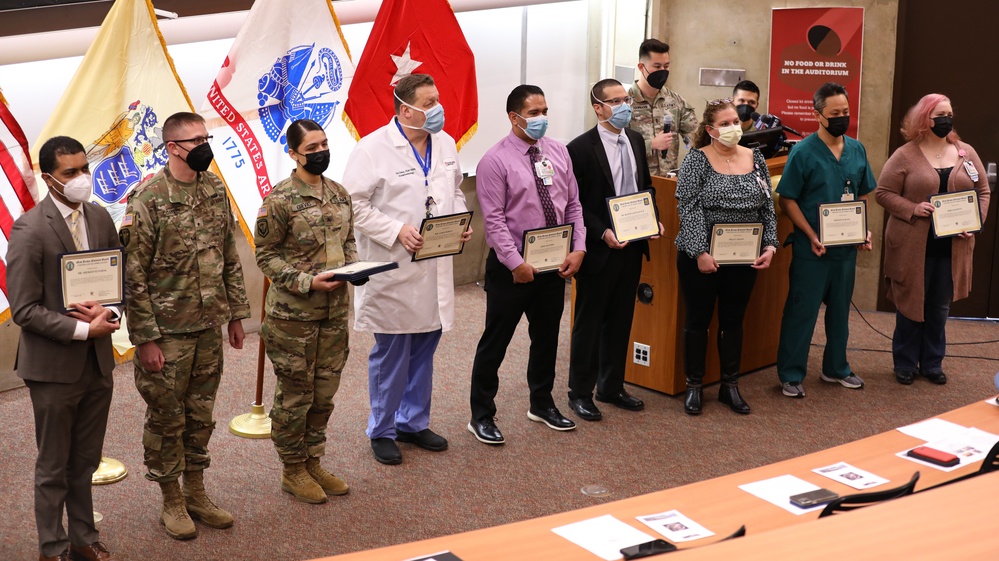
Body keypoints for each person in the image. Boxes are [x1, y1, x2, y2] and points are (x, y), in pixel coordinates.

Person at [121, 112, 250, 539]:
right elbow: (133, 276)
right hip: (167, 333)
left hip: (209, 326)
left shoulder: (214, 189)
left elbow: (228, 256)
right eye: (194, 140)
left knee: (200, 414)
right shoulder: (148, 198)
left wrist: (236, 315)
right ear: (173, 147)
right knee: (166, 417)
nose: (203, 146)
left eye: (206, 137)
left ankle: (196, 489)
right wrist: (145, 340)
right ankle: (171, 498)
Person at [341, 74, 472, 465]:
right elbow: (354, 204)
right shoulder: (372, 149)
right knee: (393, 352)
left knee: (425, 345)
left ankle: (413, 421)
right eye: (429, 102)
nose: (438, 108)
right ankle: (381, 429)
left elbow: (456, 188)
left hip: (435, 264)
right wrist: (396, 229)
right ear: (405, 109)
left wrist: (460, 221)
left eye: (437, 99)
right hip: (393, 268)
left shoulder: (445, 143)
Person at [8, 136, 121, 561]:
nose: (81, 180)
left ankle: (83, 540)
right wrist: (81, 332)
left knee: (86, 460)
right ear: (49, 178)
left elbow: (116, 285)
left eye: (83, 169)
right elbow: (24, 309)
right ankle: (51, 548)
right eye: (70, 173)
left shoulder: (99, 217)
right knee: (53, 464)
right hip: (54, 367)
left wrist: (109, 315)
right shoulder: (30, 228)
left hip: (98, 363)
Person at [468, 84, 586, 444]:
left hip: (554, 263)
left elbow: (573, 206)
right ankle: (481, 415)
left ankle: (542, 403)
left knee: (547, 337)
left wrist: (578, 248)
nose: (541, 119)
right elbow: (495, 220)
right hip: (512, 269)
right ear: (514, 117)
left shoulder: (558, 152)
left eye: (544, 111)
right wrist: (516, 263)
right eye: (533, 113)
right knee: (496, 341)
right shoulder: (494, 160)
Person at [255, 119, 356, 503]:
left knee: (324, 393)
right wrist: (305, 282)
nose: (320, 153)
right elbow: (265, 255)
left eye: (324, 145)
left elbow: (349, 241)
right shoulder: (278, 200)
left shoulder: (339, 194)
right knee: (296, 394)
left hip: (333, 313)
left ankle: (314, 460)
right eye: (311, 148)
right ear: (293, 154)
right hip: (292, 318)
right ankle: (292, 469)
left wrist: (353, 269)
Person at [875, 94, 990, 386]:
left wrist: (974, 222)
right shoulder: (905, 154)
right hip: (913, 245)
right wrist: (912, 208)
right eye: (940, 114)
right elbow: (883, 193)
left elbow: (983, 191)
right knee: (911, 303)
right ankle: (905, 363)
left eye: (950, 113)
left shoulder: (966, 152)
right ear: (925, 118)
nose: (946, 119)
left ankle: (932, 363)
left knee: (939, 307)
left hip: (953, 245)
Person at [565, 78, 663, 421]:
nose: (625, 106)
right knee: (589, 322)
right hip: (599, 247)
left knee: (622, 319)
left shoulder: (635, 139)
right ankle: (580, 391)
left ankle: (611, 386)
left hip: (633, 246)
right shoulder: (579, 148)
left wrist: (654, 220)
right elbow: (575, 203)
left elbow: (645, 187)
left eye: (626, 99)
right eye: (617, 101)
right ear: (598, 107)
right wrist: (602, 232)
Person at [675, 100, 778, 415]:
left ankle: (729, 386)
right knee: (698, 320)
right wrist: (700, 252)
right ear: (710, 130)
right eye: (725, 123)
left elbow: (767, 206)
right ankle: (694, 386)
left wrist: (770, 245)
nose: (734, 127)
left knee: (733, 321)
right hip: (702, 258)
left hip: (745, 256)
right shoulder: (697, 160)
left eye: (737, 121)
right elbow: (687, 208)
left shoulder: (755, 156)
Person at [775, 83, 875, 398]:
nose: (842, 118)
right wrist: (811, 234)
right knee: (801, 311)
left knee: (839, 312)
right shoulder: (803, 152)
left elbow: (862, 193)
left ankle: (836, 368)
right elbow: (787, 199)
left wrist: (863, 230)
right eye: (835, 114)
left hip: (845, 250)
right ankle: (790, 374)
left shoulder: (857, 150)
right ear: (818, 115)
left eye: (845, 112)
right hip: (812, 250)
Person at [627, 38, 698, 176]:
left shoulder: (676, 101)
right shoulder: (625, 103)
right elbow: (616, 147)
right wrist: (650, 145)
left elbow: (695, 137)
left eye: (666, 66)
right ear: (641, 67)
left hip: (668, 181)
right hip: (637, 182)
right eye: (657, 66)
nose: (662, 71)